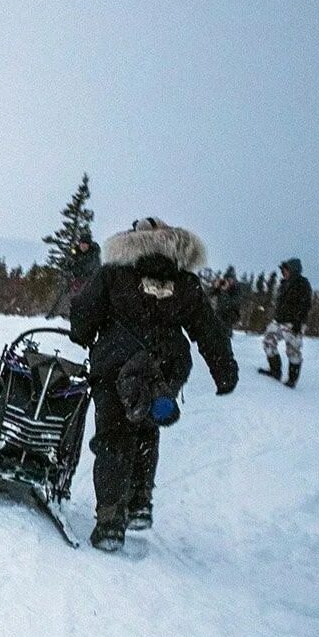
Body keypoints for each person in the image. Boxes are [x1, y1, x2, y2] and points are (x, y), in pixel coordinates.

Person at [70, 218, 237, 552]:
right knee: (146, 428)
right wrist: (224, 371)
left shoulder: (114, 273)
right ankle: (140, 502)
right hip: (164, 370)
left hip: (116, 366)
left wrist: (85, 334)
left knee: (114, 437)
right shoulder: (185, 282)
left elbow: (83, 317)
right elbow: (209, 328)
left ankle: (110, 522)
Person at [260, 257, 311, 388]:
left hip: (294, 323)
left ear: (293, 270)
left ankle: (292, 380)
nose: (284, 272)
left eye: (286, 269)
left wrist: (298, 323)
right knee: (268, 342)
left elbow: (305, 305)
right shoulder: (284, 283)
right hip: (279, 321)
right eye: (283, 270)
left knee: (293, 351)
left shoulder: (302, 283)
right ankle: (275, 371)